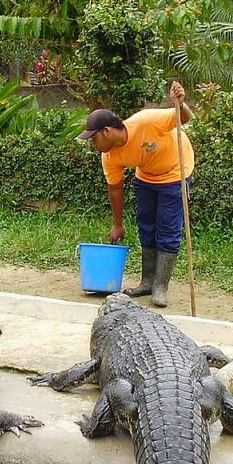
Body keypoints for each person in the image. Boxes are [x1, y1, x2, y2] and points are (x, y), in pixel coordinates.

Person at [77, 81, 193, 307]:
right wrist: (118, 224)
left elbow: (184, 117)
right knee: (146, 225)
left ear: (107, 131)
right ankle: (147, 281)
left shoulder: (146, 120)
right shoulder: (109, 156)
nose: (93, 143)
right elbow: (115, 188)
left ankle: (160, 287)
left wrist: (181, 102)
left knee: (167, 229)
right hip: (147, 176)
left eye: (94, 138)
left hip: (175, 171)